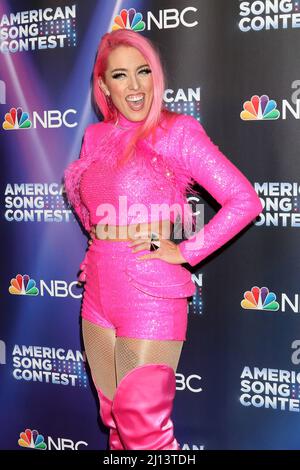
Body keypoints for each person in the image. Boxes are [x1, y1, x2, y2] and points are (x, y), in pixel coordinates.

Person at [64, 29, 262, 451]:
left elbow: (244, 200)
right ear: (103, 86)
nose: (134, 87)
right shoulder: (95, 137)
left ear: (156, 77)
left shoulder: (177, 131)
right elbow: (91, 205)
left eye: (143, 73)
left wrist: (185, 250)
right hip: (98, 291)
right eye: (120, 76)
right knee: (115, 420)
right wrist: (100, 246)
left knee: (144, 430)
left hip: (149, 293)